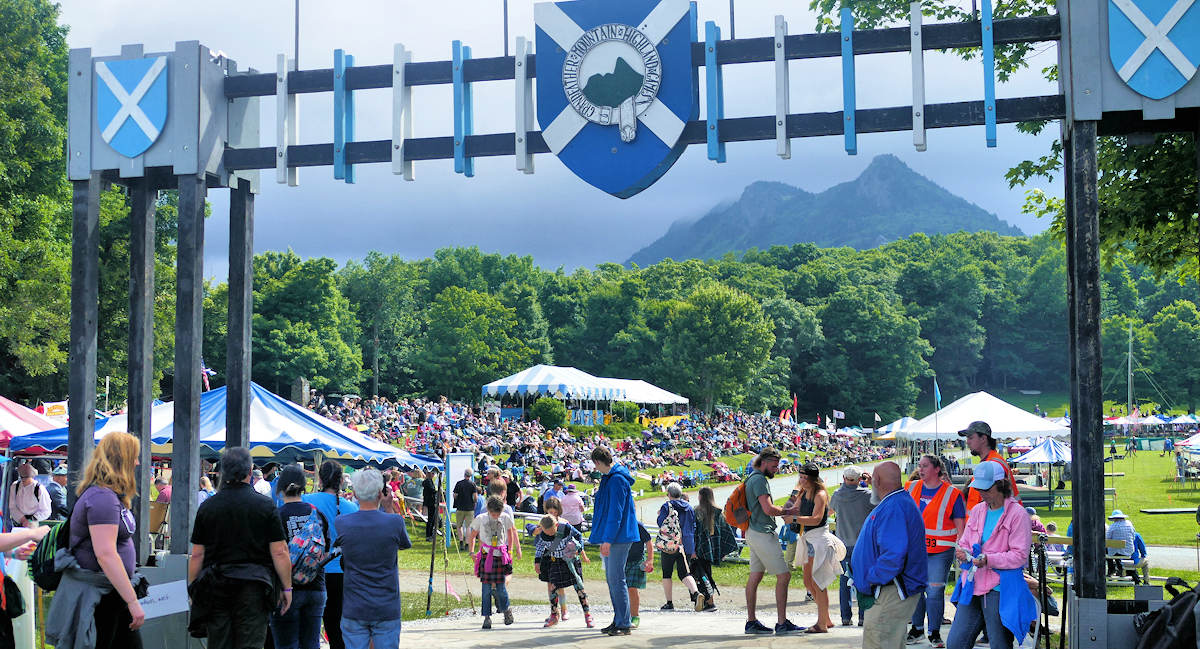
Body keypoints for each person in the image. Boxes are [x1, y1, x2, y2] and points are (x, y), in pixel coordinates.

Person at [189, 446, 293, 649]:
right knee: (251, 644)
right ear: (250, 471)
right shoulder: (265, 505)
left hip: (217, 584)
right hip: (254, 587)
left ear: (222, 472)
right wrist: (287, 587)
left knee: (219, 643)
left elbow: (197, 554)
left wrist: (193, 589)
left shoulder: (208, 506)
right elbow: (280, 551)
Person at [45, 432, 142, 649]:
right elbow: (106, 554)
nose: (137, 462)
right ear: (121, 459)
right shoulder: (102, 498)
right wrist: (132, 601)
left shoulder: (107, 495)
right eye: (134, 457)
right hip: (98, 598)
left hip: (109, 594)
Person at [945, 461, 1034, 649]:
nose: (981, 493)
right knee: (955, 643)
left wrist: (988, 559)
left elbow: (1019, 556)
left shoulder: (1018, 515)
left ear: (1001, 485)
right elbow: (965, 541)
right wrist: (963, 551)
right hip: (972, 584)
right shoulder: (978, 510)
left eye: (986, 488)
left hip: (1000, 587)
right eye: (978, 488)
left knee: (1000, 644)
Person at [851, 461, 927, 649]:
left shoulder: (894, 506)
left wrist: (870, 578)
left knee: (878, 639)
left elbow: (893, 556)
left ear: (876, 481)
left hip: (891, 589)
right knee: (888, 641)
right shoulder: (896, 502)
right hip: (890, 588)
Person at [335, 468, 413, 649]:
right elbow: (404, 544)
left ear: (354, 493)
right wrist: (387, 507)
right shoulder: (394, 522)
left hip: (354, 606)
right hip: (386, 606)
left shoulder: (342, 523)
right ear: (381, 493)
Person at [905, 455, 966, 648]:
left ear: (937, 469)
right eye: (919, 466)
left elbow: (960, 524)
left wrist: (961, 546)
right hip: (915, 550)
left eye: (925, 466)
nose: (920, 469)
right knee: (914, 590)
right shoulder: (911, 488)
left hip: (941, 550)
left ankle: (934, 632)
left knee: (934, 591)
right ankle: (916, 629)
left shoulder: (952, 493)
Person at [743, 447, 804, 636]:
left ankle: (751, 622)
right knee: (784, 576)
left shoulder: (752, 477)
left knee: (755, 576)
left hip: (752, 531)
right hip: (763, 532)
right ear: (764, 462)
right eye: (774, 465)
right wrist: (788, 511)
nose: (776, 468)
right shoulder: (760, 480)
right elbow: (768, 509)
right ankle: (782, 622)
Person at [303, 461, 359, 649]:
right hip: (341, 574)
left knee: (309, 630)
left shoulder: (306, 501)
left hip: (312, 571)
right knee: (337, 629)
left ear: (319, 479)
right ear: (341, 481)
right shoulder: (351, 508)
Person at [271, 465, 327, 649]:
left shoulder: (277, 516)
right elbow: (323, 550)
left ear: (280, 488)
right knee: (311, 644)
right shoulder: (317, 514)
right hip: (316, 587)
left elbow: (275, 553)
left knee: (287, 645)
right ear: (304, 487)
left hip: (286, 590)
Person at [588, 445, 640, 636]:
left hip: (619, 537)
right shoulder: (609, 478)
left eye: (595, 465)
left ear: (598, 462)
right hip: (614, 535)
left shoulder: (617, 480)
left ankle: (624, 623)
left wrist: (607, 539)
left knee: (617, 579)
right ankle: (619, 619)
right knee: (613, 580)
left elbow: (615, 513)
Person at [786, 462, 838, 634]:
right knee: (808, 582)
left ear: (812, 479)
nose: (801, 480)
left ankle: (821, 623)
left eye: (804, 477)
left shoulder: (820, 494)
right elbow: (795, 508)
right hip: (808, 539)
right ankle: (826, 618)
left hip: (819, 540)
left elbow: (816, 519)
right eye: (800, 476)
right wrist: (783, 510)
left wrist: (794, 519)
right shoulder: (803, 491)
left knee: (818, 582)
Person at [829, 465, 875, 627]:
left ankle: (845, 617)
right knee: (863, 580)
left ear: (843, 478)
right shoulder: (867, 495)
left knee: (844, 581)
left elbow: (828, 512)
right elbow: (880, 504)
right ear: (859, 479)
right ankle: (863, 616)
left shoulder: (837, 495)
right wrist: (870, 483)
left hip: (842, 543)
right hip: (862, 544)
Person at [468, 496, 519, 629]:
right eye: (493, 514)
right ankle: (486, 617)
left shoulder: (505, 517)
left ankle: (506, 610)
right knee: (486, 589)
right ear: (489, 510)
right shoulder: (481, 518)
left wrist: (510, 550)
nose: (496, 516)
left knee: (501, 588)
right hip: (486, 555)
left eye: (498, 513)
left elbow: (510, 532)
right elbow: (472, 535)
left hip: (500, 555)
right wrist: (472, 552)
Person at [534, 512, 592, 628]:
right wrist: (537, 562)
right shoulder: (543, 534)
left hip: (570, 561)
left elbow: (579, 536)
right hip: (555, 561)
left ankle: (588, 615)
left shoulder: (566, 528)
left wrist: (579, 548)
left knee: (579, 588)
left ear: (556, 525)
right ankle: (554, 615)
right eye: (547, 532)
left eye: (551, 531)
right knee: (553, 589)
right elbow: (540, 547)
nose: (549, 534)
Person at [656, 482, 701, 611]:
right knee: (684, 573)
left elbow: (661, 524)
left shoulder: (666, 506)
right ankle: (696, 593)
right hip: (686, 543)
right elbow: (693, 526)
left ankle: (669, 603)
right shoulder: (689, 507)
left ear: (669, 494)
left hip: (670, 544)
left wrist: (659, 514)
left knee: (667, 573)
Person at [960, 422, 1020, 509]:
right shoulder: (990, 462)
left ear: (983, 438)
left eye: (971, 438)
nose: (967, 442)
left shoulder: (994, 465)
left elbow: (995, 503)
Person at [625, 521, 654, 628]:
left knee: (632, 588)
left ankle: (635, 616)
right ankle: (623, 616)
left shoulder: (638, 525)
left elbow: (649, 542)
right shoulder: (619, 523)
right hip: (622, 560)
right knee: (622, 589)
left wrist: (650, 560)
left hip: (637, 561)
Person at [9, 461, 50, 528]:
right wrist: (21, 519)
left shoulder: (39, 488)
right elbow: (12, 506)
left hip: (34, 523)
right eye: (22, 477)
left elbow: (46, 510)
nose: (24, 480)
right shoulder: (15, 486)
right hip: (17, 521)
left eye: (26, 477)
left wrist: (30, 520)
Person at [1105, 509, 1136, 577]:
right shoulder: (1130, 524)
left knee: (1107, 549)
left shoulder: (1112, 527)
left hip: (1116, 551)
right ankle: (1119, 568)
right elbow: (1133, 537)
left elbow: (1107, 540)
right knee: (1116, 549)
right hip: (1129, 550)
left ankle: (1111, 568)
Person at [452, 468, 477, 549]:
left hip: (460, 507)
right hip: (469, 508)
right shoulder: (473, 484)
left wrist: (458, 499)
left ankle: (461, 541)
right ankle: (467, 543)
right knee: (468, 526)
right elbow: (475, 497)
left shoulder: (459, 483)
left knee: (459, 526)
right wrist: (474, 502)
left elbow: (455, 495)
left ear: (464, 474)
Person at [422, 468, 439, 541]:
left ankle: (430, 534)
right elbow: (432, 490)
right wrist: (438, 491)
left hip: (430, 501)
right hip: (431, 502)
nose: (433, 475)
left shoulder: (429, 481)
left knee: (432, 519)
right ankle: (429, 535)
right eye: (432, 474)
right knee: (431, 519)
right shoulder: (427, 481)